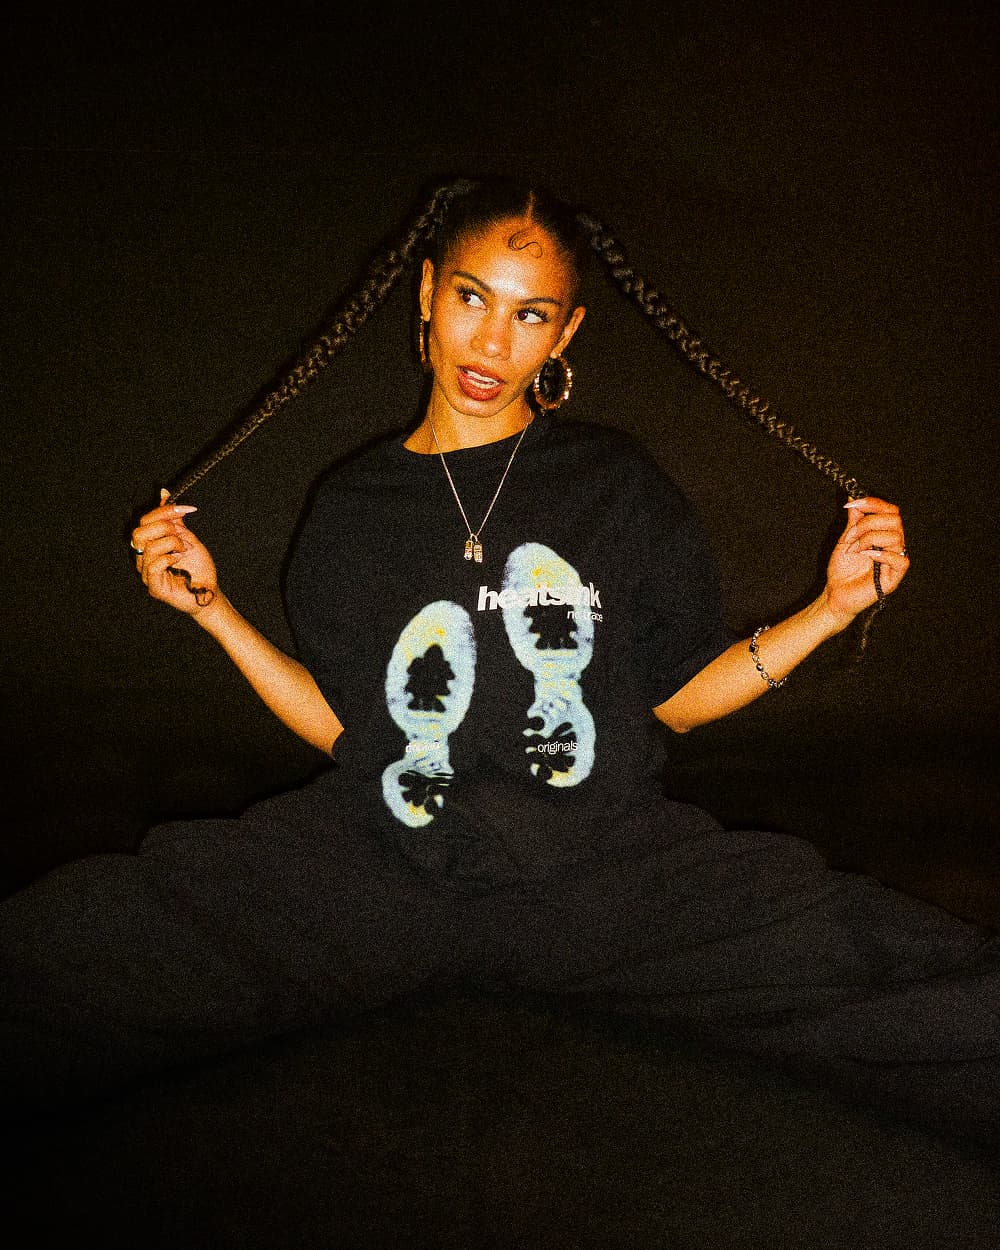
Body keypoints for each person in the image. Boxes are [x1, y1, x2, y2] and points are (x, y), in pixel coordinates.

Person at [2, 179, 997, 1149]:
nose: (491, 343)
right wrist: (215, 613)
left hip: (597, 869)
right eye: (472, 299)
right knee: (78, 948)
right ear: (427, 293)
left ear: (565, 334)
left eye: (530, 315)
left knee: (901, 975)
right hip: (378, 865)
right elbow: (346, 727)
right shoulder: (352, 506)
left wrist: (831, 610)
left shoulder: (615, 487)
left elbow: (673, 704)